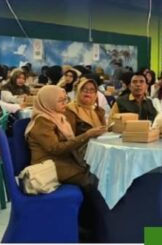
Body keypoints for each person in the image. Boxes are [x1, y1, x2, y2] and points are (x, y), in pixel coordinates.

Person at [25, 86, 107, 242]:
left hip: (62, 161)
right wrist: (86, 135)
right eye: (60, 100)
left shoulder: (57, 117)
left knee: (96, 173)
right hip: (50, 165)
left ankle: (90, 225)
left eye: (65, 99)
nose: (65, 103)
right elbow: (56, 149)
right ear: (48, 102)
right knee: (92, 181)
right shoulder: (42, 121)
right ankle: (88, 228)